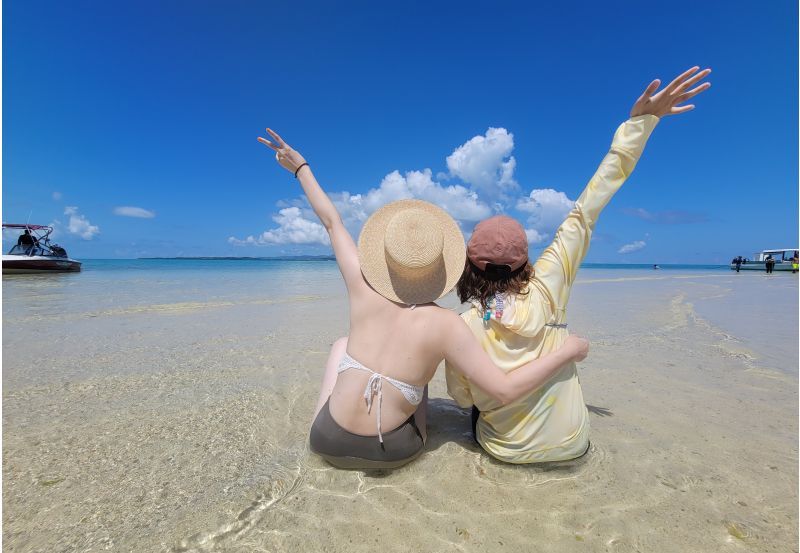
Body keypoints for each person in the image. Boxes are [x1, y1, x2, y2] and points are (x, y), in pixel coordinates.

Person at [257, 130, 589, 470]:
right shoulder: (448, 325)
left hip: (325, 440)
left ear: (383, 257)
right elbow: (502, 391)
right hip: (389, 452)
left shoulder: (361, 286)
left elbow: (332, 221)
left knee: (342, 345)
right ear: (442, 267)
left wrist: (301, 168)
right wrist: (567, 352)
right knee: (420, 373)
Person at [446, 66, 712, 464]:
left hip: (504, 451)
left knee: (473, 400)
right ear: (525, 259)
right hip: (573, 446)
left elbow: (462, 397)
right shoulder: (551, 282)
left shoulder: (463, 327)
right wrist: (639, 124)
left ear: (469, 265)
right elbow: (587, 208)